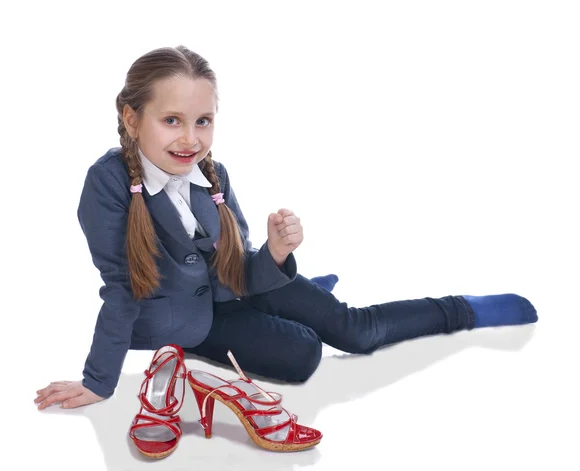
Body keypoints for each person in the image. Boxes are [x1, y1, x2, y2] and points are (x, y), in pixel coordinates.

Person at [34, 45, 538, 411]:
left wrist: (273, 255)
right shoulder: (107, 184)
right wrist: (99, 381)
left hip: (233, 289)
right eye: (172, 120)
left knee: (355, 330)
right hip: (187, 321)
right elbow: (122, 288)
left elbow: (238, 267)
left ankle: (462, 311)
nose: (191, 138)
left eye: (203, 121)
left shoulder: (213, 174)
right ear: (131, 116)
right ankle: (303, 300)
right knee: (304, 354)